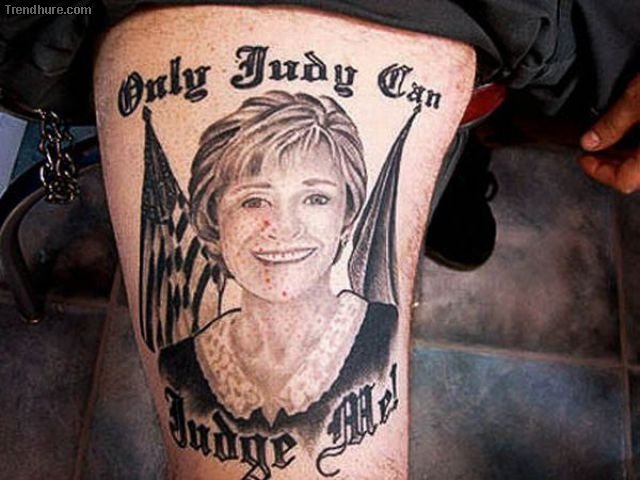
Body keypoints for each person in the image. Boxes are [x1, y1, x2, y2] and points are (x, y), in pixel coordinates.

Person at [159, 91, 397, 434]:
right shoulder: (177, 365)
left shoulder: (385, 333)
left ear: (347, 216)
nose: (284, 227)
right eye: (254, 201)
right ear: (213, 218)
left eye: (315, 198)